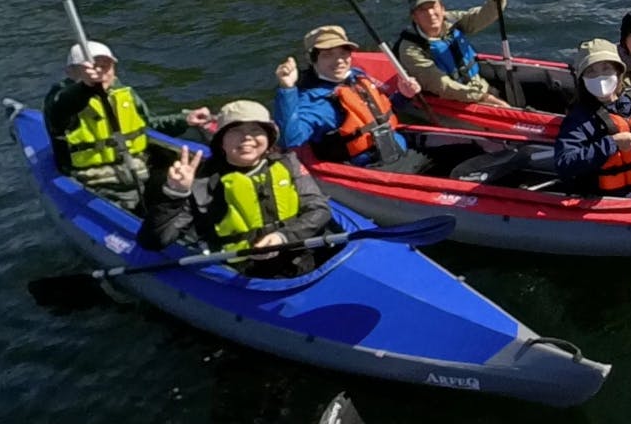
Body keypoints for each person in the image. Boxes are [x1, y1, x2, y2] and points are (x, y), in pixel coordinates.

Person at [142, 100, 332, 278]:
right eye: (236, 131)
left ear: (268, 137)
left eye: (256, 130)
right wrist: (176, 194)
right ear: (221, 141)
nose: (247, 137)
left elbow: (319, 209)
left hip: (297, 256)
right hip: (241, 271)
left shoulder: (288, 163)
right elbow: (154, 241)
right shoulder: (203, 182)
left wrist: (284, 237)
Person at [43, 41, 212, 212]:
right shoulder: (61, 99)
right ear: (70, 72)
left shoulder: (125, 94)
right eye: (91, 69)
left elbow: (150, 124)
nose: (100, 73)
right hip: (98, 184)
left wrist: (185, 120)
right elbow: (61, 108)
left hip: (139, 174)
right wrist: (86, 87)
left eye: (105, 66)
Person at [274, 24, 428, 173]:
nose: (339, 60)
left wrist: (403, 95)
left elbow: (382, 114)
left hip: (401, 151)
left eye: (343, 53)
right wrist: (287, 89)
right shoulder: (315, 101)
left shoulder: (357, 76)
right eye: (328, 55)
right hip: (373, 169)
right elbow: (291, 139)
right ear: (312, 59)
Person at [553, 38, 631, 197]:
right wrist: (612, 143)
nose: (600, 77)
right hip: (603, 197)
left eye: (606, 69)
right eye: (591, 71)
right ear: (582, 79)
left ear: (618, 72)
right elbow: (564, 163)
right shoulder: (579, 118)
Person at [394, 0, 513, 107]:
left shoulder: (452, 21)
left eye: (433, 6)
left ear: (442, 8)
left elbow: (483, 16)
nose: (430, 13)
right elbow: (440, 84)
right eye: (422, 10)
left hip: (478, 86)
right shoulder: (410, 48)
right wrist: (483, 98)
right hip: (449, 101)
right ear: (414, 17)